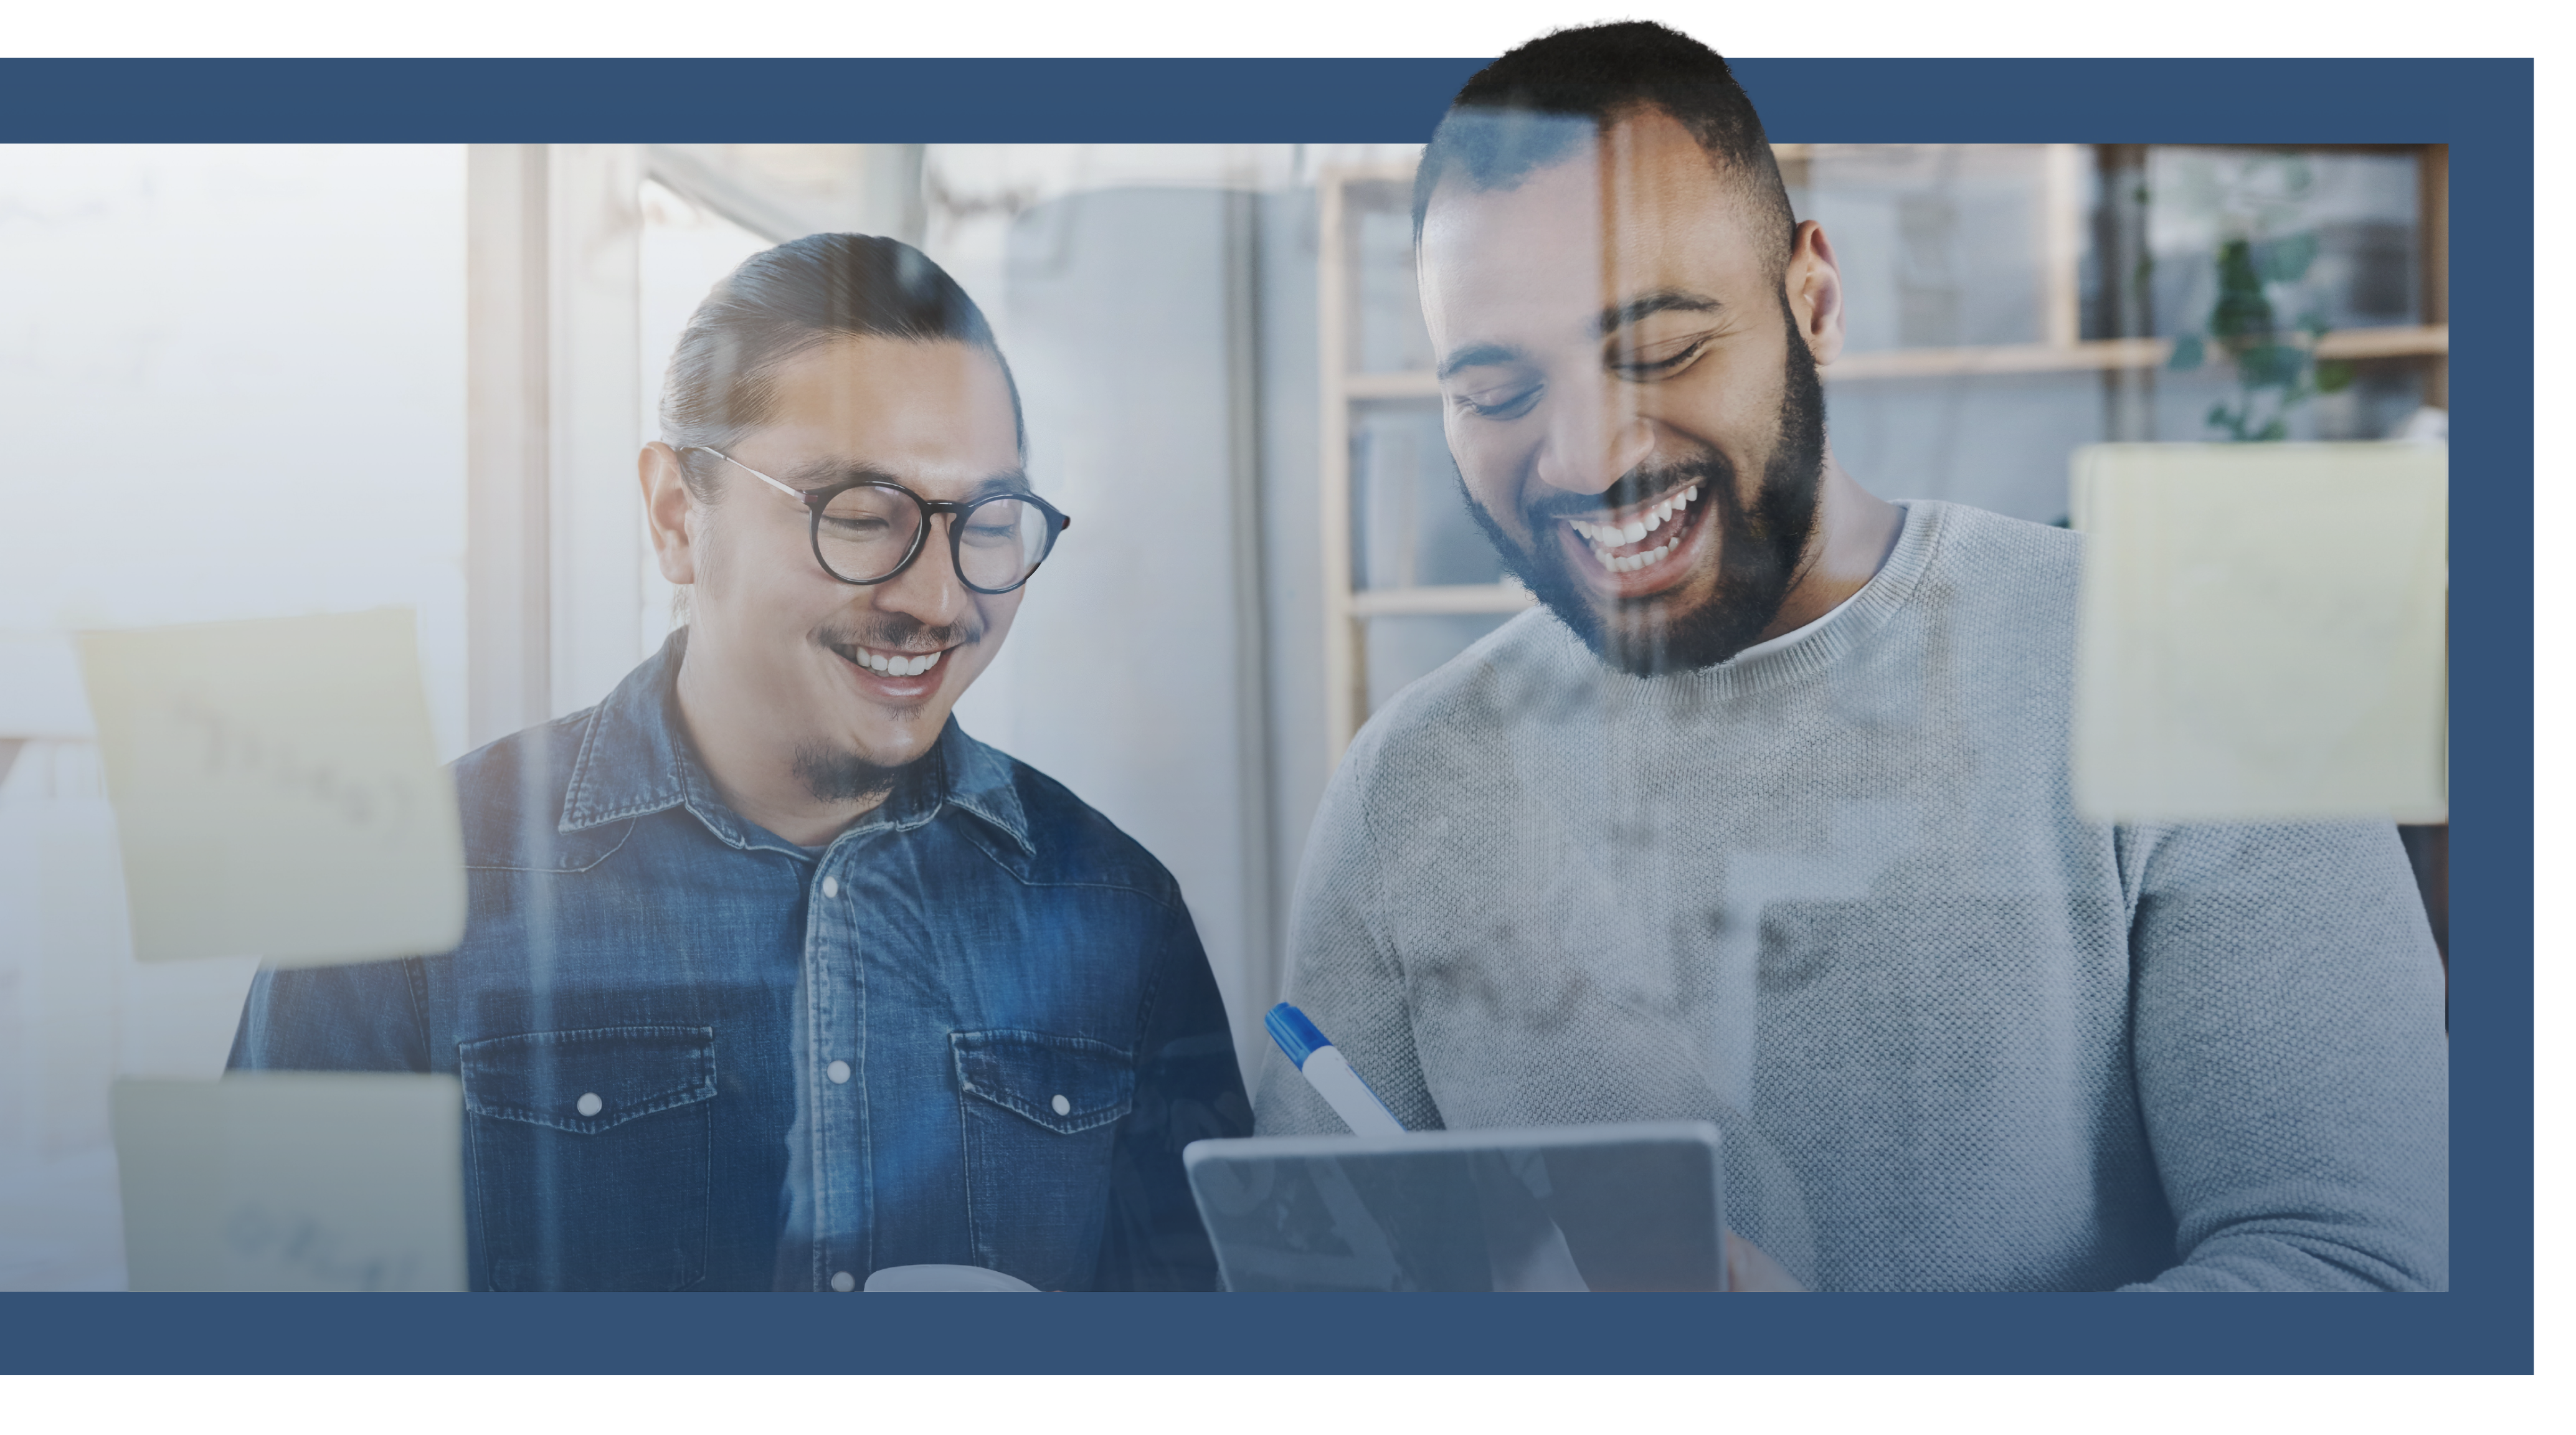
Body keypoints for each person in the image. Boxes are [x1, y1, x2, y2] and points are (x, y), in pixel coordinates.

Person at [1255, 22, 2448, 1291]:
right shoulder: (1410, 785)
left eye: (1662, 349)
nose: (1589, 458)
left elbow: (2363, 1271)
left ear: (1813, 299)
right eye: (1497, 396)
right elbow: (1310, 1291)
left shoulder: (2199, 668)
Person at [231, 233, 1251, 1291]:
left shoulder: (1121, 914)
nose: (940, 602)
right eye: (862, 516)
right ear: (678, 516)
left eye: (988, 523)